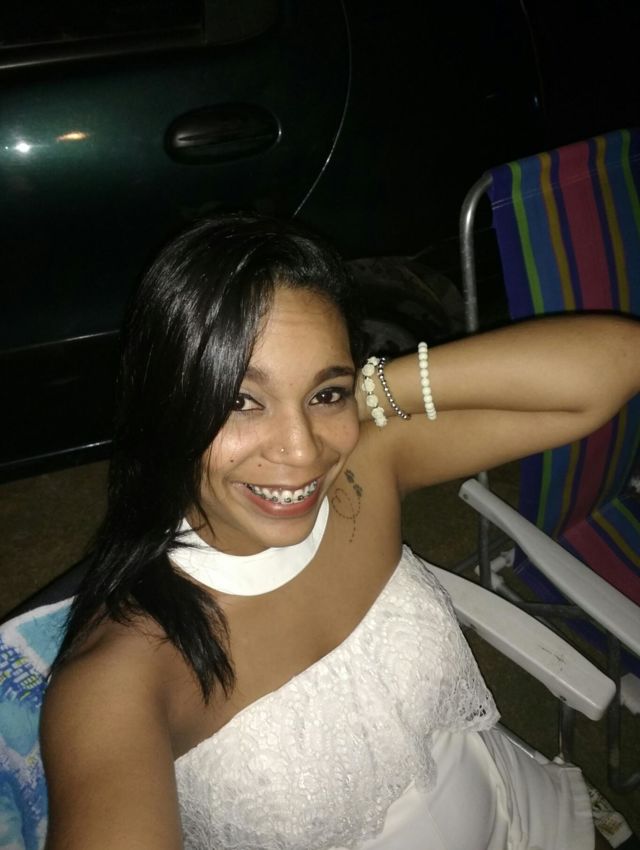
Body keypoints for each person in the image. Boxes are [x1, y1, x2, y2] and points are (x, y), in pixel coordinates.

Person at [40, 214, 639, 850]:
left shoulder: (361, 471)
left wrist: (367, 390)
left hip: (520, 808)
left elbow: (616, 364)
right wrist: (330, 393)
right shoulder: (119, 679)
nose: (302, 452)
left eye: (324, 394)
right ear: (164, 405)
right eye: (241, 400)